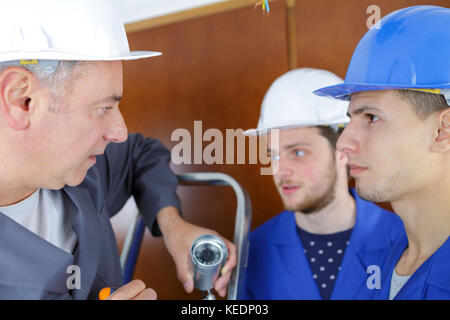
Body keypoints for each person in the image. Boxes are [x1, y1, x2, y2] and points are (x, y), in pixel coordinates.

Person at [0, 0, 236, 300]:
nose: (119, 131)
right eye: (104, 107)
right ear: (23, 100)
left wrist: (173, 225)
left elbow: (141, 155)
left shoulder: (84, 172)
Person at [314, 5, 450, 300]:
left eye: (371, 118)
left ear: (443, 131)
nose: (343, 143)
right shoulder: (386, 262)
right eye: (351, 119)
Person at [240, 68, 405, 300]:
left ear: (342, 151)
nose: (279, 171)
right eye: (274, 155)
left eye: (297, 152)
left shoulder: (404, 241)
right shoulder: (252, 250)